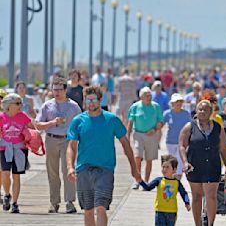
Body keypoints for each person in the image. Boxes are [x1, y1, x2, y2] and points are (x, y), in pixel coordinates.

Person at [66, 86, 141, 226]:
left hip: (105, 169)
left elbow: (125, 144)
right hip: (83, 169)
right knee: (88, 209)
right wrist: (70, 167)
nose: (91, 103)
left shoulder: (111, 119)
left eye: (94, 100)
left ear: (100, 101)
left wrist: (134, 168)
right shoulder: (78, 121)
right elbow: (71, 146)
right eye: (88, 100)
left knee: (100, 207)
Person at [179, 100, 226, 226]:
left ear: (211, 112)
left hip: (212, 166)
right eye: (200, 109)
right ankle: (197, 224)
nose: (202, 112)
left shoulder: (218, 128)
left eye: (205, 110)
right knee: (196, 196)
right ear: (196, 111)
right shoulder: (189, 127)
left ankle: (210, 223)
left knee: (211, 196)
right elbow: (181, 146)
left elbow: (223, 149)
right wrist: (185, 162)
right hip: (194, 166)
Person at [35, 77, 82, 213]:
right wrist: (52, 123)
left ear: (65, 90)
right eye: (54, 90)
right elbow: (38, 125)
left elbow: (81, 124)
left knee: (68, 170)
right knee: (52, 172)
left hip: (68, 140)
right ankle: (54, 202)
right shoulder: (47, 106)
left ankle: (69, 202)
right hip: (51, 139)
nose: (57, 93)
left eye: (60, 90)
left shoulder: (74, 106)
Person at [0, 93, 35, 213]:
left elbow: (33, 128)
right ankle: (7, 194)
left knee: (16, 175)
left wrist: (30, 133)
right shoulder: (1, 117)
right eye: (18, 103)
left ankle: (14, 203)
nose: (21, 105)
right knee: (5, 173)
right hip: (5, 149)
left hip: (20, 149)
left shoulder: (23, 116)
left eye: (21, 103)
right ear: (9, 105)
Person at [127, 87, 163, 189]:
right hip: (138, 134)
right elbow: (130, 122)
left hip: (151, 135)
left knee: (149, 159)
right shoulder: (135, 107)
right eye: (146, 95)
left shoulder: (156, 106)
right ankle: (137, 180)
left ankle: (146, 182)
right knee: (137, 157)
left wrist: (155, 130)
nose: (149, 97)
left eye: (150, 95)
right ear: (141, 97)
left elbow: (161, 121)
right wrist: (127, 137)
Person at [139, 155, 191, 226]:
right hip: (160, 211)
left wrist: (187, 203)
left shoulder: (176, 182)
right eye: (163, 167)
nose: (164, 169)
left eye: (167, 167)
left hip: (172, 212)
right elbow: (148, 187)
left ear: (174, 169)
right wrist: (140, 180)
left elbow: (184, 193)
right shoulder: (158, 180)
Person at [162, 94, 191, 180]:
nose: (179, 103)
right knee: (172, 162)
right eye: (176, 102)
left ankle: (178, 181)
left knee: (180, 162)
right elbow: (160, 125)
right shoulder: (167, 113)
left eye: (180, 101)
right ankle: (171, 180)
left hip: (182, 142)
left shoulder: (186, 114)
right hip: (170, 142)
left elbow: (190, 128)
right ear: (172, 103)